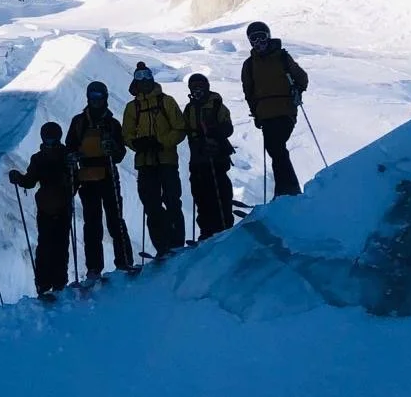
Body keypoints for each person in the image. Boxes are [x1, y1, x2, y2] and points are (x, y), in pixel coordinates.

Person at [64, 81, 134, 277]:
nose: (96, 100)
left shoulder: (110, 124)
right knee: (94, 224)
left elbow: (120, 154)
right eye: (93, 96)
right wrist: (72, 156)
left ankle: (120, 262)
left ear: (104, 98)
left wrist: (113, 149)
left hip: (103, 175)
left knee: (112, 220)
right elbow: (69, 147)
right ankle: (98, 267)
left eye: (99, 96)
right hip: (92, 177)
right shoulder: (82, 122)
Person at [120, 62, 187, 254]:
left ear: (151, 78)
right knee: (151, 205)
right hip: (146, 162)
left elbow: (180, 128)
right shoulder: (132, 108)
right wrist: (138, 144)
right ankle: (163, 245)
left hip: (165, 161)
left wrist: (160, 142)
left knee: (171, 201)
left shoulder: (166, 102)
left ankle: (175, 244)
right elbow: (127, 134)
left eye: (146, 76)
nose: (143, 80)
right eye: (139, 77)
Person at [241, 21, 309, 197]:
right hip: (266, 115)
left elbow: (302, 78)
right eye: (254, 39)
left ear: (268, 37)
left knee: (275, 147)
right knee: (275, 150)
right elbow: (249, 93)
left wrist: (297, 90)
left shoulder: (282, 57)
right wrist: (256, 113)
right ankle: (287, 191)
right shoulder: (249, 65)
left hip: (285, 111)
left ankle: (288, 191)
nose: (258, 42)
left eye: (261, 37)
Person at [9, 121, 75, 296]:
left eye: (52, 138)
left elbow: (30, 182)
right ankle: (53, 283)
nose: (50, 141)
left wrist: (19, 179)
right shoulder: (62, 156)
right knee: (54, 245)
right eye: (48, 138)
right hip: (58, 205)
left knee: (52, 245)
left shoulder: (43, 158)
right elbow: (30, 181)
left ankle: (47, 284)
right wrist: (19, 179)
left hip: (51, 206)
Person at [183, 74, 235, 238]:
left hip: (215, 158)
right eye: (194, 87)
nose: (197, 90)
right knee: (201, 196)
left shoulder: (216, 105)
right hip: (198, 159)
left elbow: (228, 128)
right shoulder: (189, 109)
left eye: (200, 86)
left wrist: (215, 132)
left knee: (219, 194)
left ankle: (224, 228)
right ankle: (206, 231)